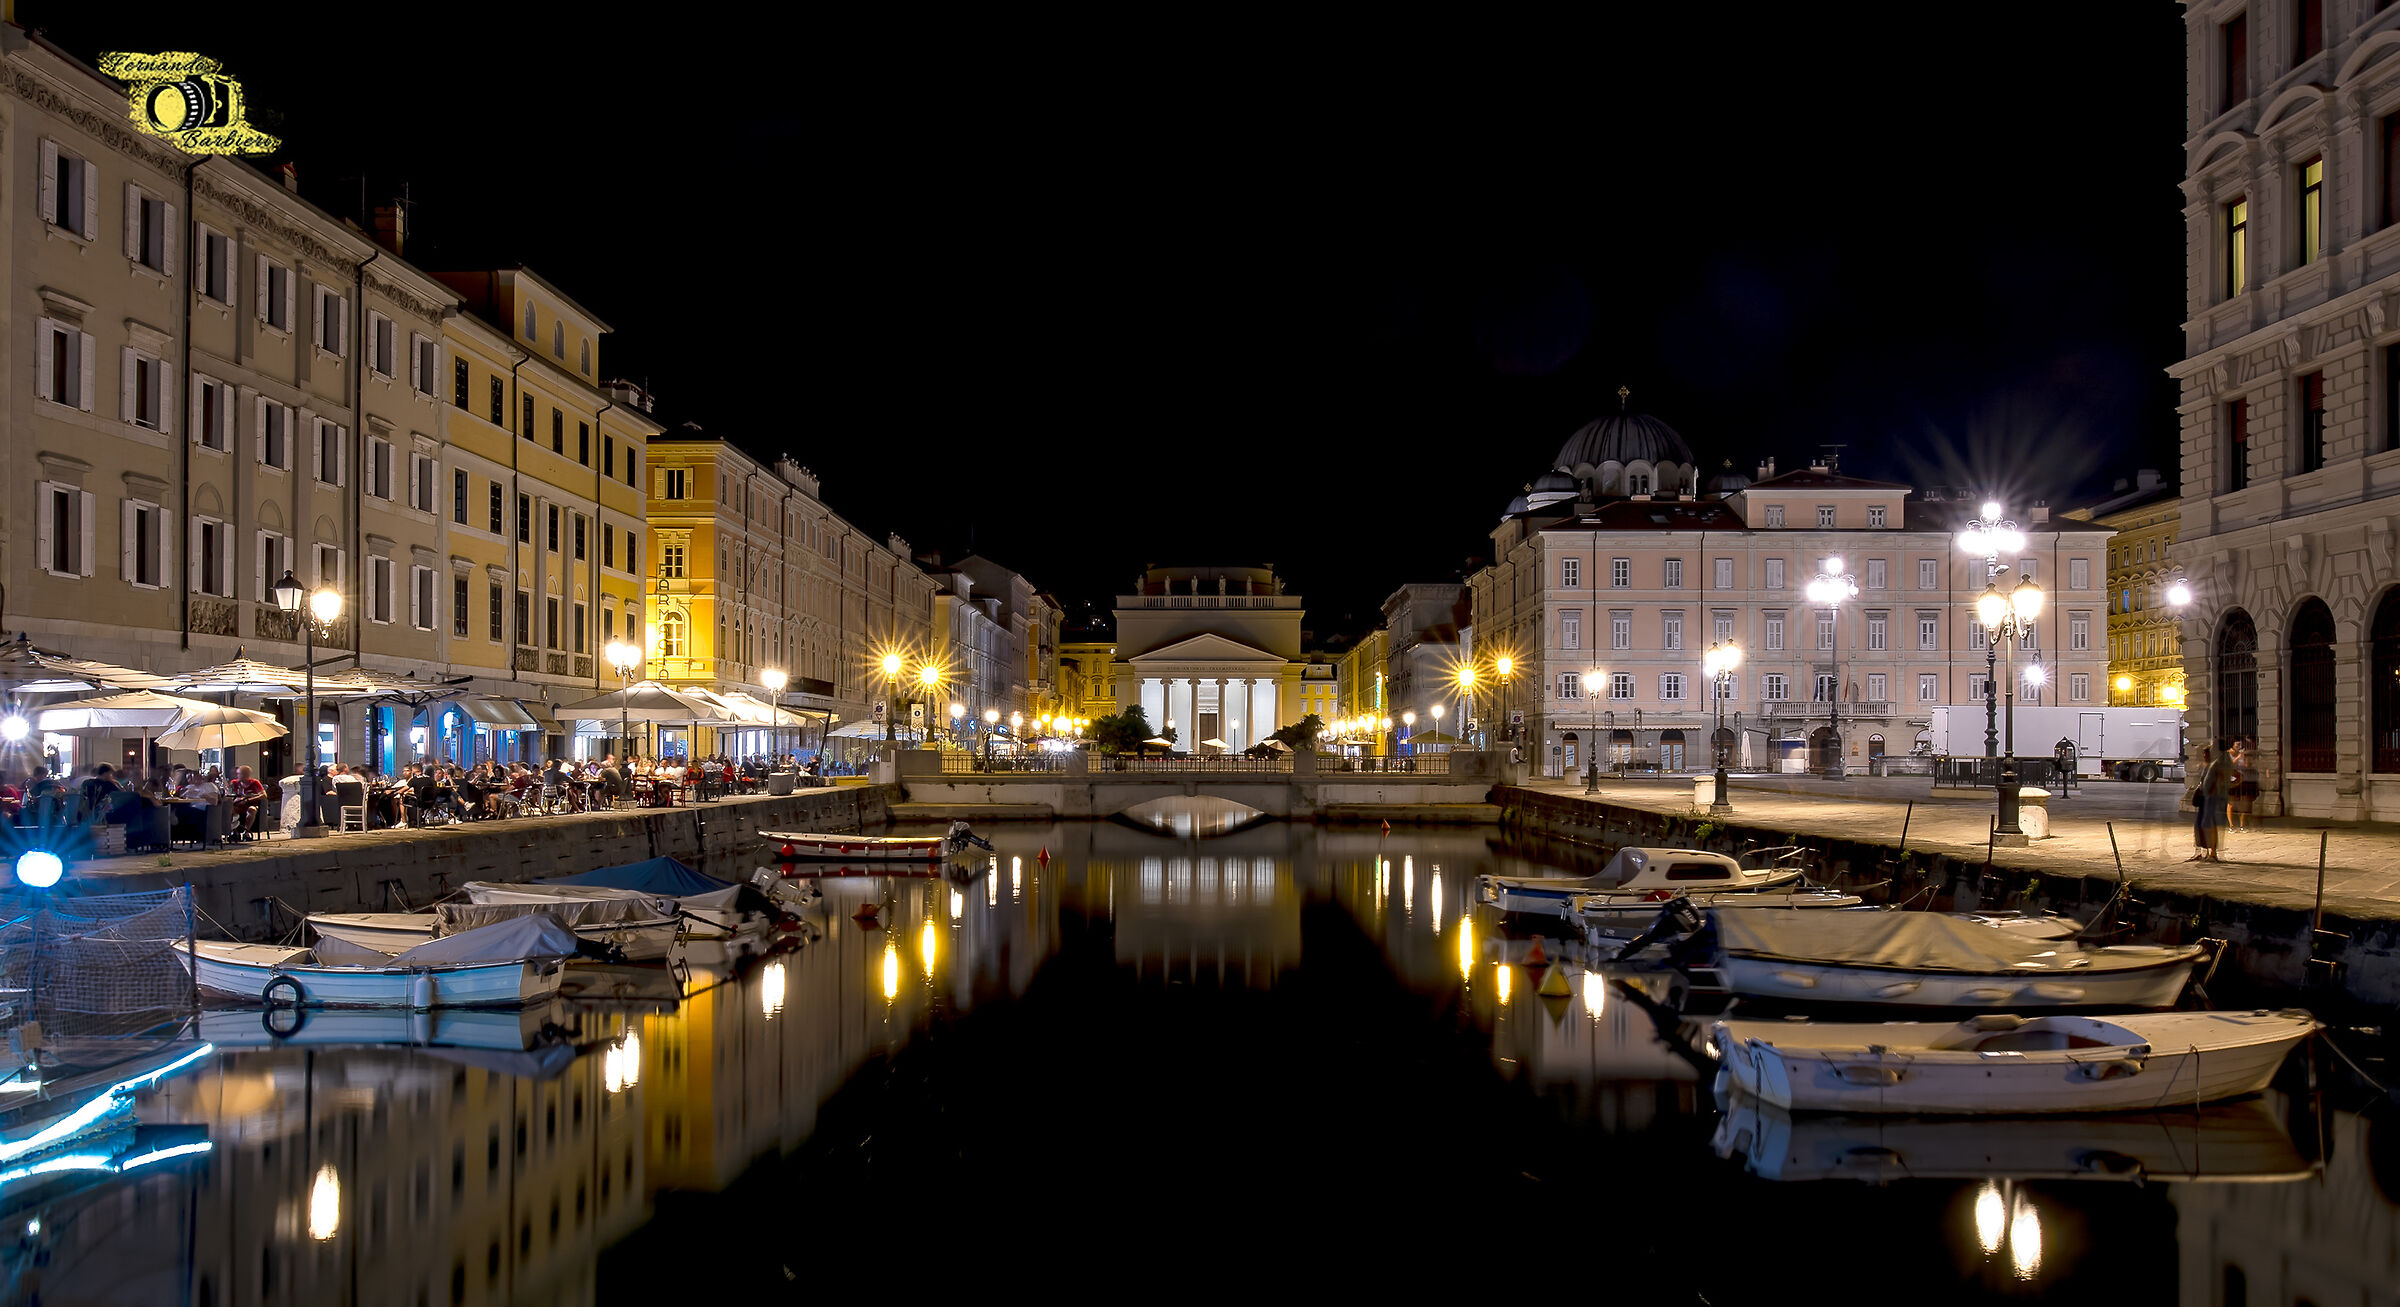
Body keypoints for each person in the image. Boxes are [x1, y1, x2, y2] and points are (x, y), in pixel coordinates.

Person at [2192, 741, 2237, 863]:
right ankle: (2203, 851)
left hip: (2213, 798)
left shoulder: (2220, 763)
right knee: (2201, 825)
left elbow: (2232, 776)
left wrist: (2224, 786)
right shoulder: (2210, 764)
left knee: (2210, 825)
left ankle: (2213, 853)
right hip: (2205, 797)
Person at [2230, 736, 2260, 831]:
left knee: (2243, 802)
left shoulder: (2242, 754)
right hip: (2232, 780)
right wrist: (2238, 757)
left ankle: (2242, 825)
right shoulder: (2229, 754)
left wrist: (2247, 759)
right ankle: (2231, 825)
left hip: (2242, 780)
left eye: (2240, 744)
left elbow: (2246, 765)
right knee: (2231, 803)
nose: (2239, 746)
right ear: (2233, 745)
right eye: (2237, 744)